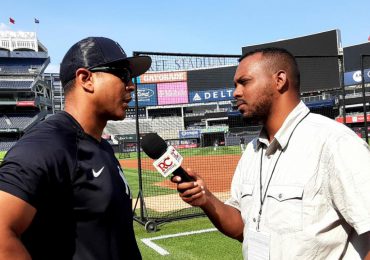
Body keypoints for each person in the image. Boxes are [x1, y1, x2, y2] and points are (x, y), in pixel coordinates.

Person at [172, 47, 370, 259]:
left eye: (244, 82)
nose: (235, 93)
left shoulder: (334, 143)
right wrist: (206, 199)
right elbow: (241, 228)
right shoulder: (252, 151)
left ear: (280, 80)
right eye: (235, 85)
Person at [0, 37, 151, 260]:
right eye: (123, 74)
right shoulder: (47, 145)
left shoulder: (101, 146)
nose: (131, 86)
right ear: (86, 78)